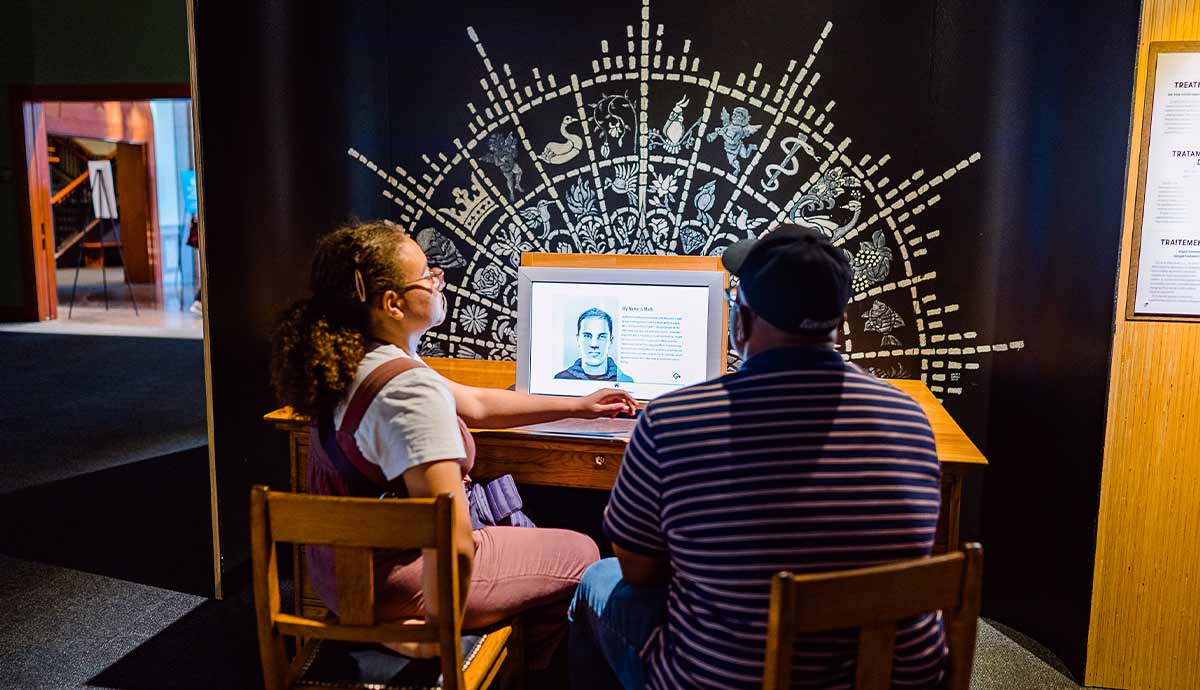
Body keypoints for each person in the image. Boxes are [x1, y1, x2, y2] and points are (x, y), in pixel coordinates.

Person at [568, 225, 947, 690]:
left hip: (724, 679)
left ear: (741, 321)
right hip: (883, 676)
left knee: (598, 578)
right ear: (837, 321)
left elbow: (638, 569)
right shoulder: (909, 418)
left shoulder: (671, 421)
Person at [270, 220, 636, 668]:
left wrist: (577, 406)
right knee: (581, 552)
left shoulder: (359, 361)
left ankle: (498, 646)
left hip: (340, 575)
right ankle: (500, 665)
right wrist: (438, 635)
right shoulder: (411, 393)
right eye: (427, 275)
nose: (438, 280)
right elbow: (454, 540)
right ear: (393, 303)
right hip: (398, 583)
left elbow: (476, 403)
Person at [554, 307, 634, 382]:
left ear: (611, 340)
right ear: (578, 339)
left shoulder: (626, 381)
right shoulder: (561, 379)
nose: (594, 344)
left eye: (602, 336)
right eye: (587, 336)